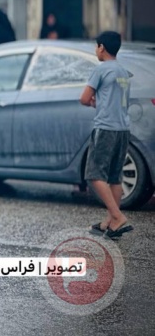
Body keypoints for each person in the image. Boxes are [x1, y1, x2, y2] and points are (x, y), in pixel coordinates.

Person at [80, 31, 134, 240]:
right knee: (114, 176)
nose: (96, 50)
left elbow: (84, 98)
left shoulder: (101, 70)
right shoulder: (123, 71)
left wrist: (94, 102)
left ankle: (117, 216)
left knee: (94, 174)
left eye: (96, 46)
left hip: (105, 128)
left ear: (101, 47)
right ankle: (111, 224)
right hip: (123, 129)